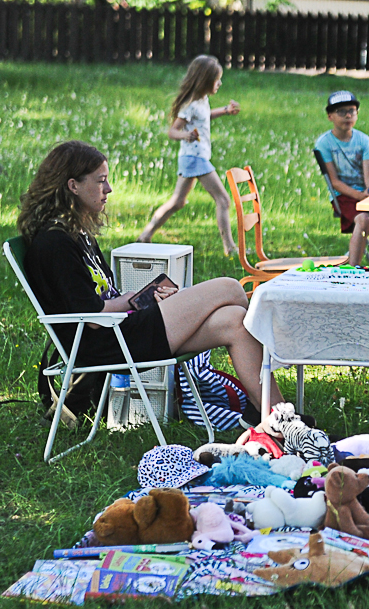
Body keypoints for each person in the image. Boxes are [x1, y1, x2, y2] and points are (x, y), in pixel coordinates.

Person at [18, 140, 282, 424]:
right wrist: (131, 301)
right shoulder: (54, 243)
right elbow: (91, 316)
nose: (109, 189)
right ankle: (279, 394)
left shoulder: (76, 234)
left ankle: (277, 415)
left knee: (234, 320)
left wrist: (140, 299)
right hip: (109, 343)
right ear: (73, 186)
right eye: (101, 181)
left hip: (123, 330)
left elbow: (102, 297)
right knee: (230, 287)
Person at [138, 55, 241, 256]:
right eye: (216, 80)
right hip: (195, 158)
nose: (220, 83)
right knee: (223, 199)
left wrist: (225, 111)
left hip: (194, 157)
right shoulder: (190, 104)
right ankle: (230, 248)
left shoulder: (202, 100)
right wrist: (186, 135)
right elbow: (172, 131)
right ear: (205, 81)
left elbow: (205, 116)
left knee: (177, 202)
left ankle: (145, 235)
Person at [314, 90, 369, 266]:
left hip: (364, 194)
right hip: (343, 196)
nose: (348, 115)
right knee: (363, 219)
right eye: (341, 111)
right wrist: (360, 197)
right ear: (330, 116)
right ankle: (353, 268)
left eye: (352, 111)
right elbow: (334, 182)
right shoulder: (324, 143)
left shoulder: (364, 140)